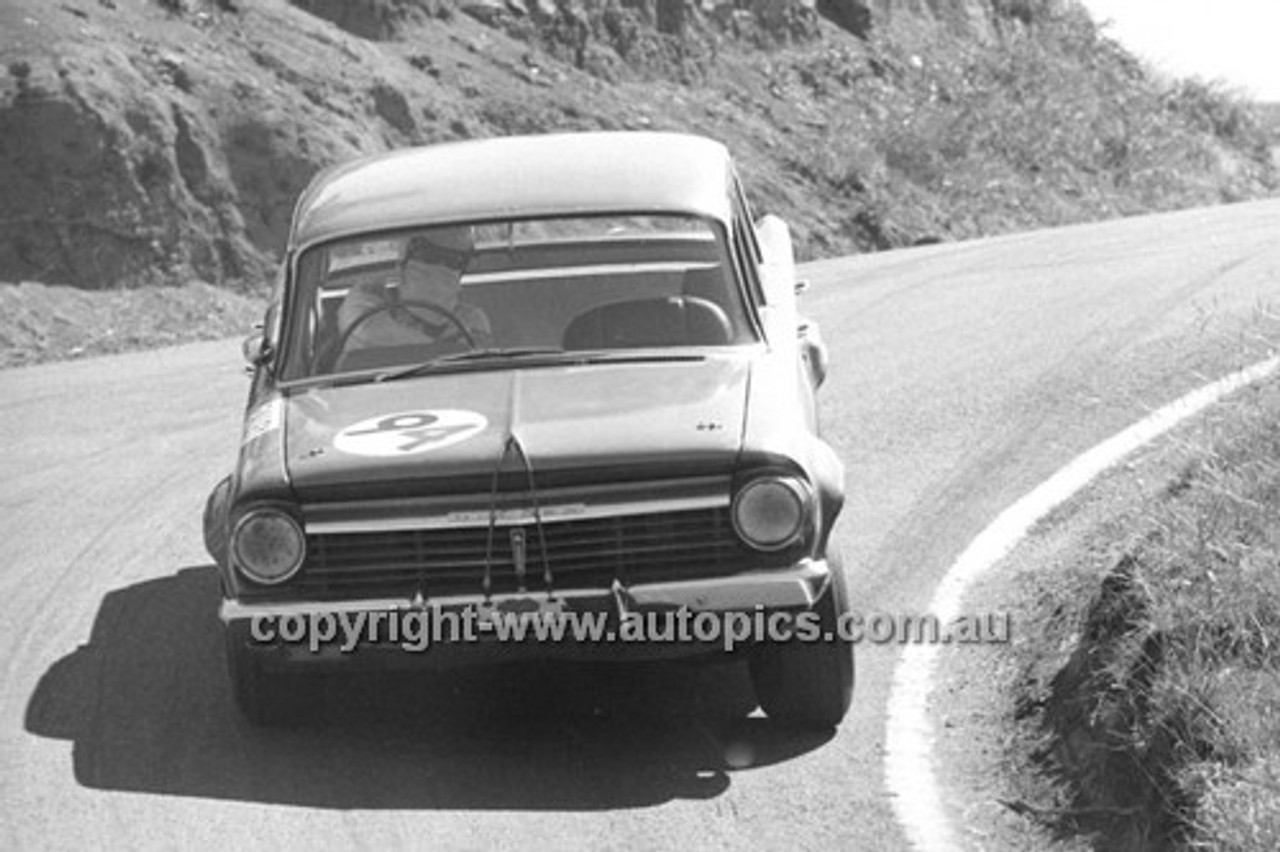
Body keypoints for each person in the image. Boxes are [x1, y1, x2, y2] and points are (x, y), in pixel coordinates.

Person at [336, 227, 492, 361]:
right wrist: (440, 349)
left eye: (454, 260)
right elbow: (364, 332)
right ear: (404, 260)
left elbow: (480, 370)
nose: (441, 268)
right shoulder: (366, 307)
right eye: (430, 255)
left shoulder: (469, 320)